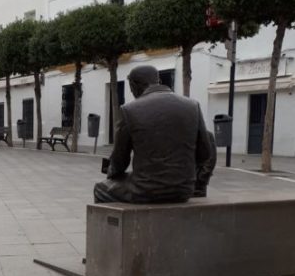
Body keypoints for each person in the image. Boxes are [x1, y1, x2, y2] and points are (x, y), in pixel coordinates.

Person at [93, 65, 216, 204]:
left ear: (134, 86)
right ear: (158, 80)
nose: (132, 92)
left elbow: (120, 161)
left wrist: (111, 174)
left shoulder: (129, 110)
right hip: (184, 189)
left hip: (145, 190)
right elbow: (205, 154)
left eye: (131, 88)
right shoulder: (192, 105)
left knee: (100, 189)